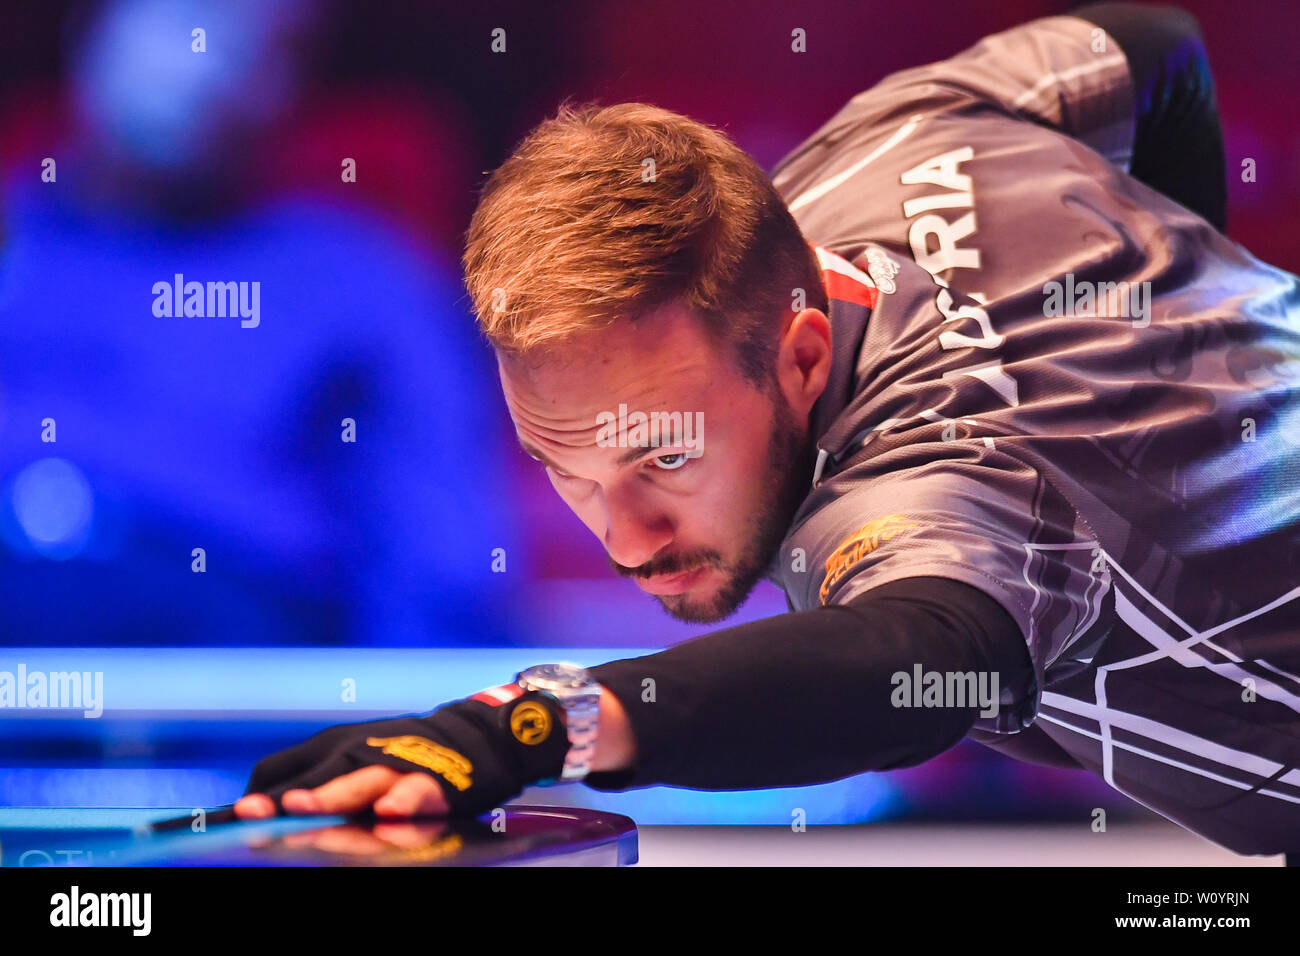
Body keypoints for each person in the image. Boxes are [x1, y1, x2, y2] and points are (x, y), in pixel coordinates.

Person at [236, 4, 1300, 857]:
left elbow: (902, 665)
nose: (626, 538)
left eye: (664, 456)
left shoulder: (938, 479)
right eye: (565, 469)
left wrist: (518, 727)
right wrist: (1180, 321)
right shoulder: (896, 137)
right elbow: (1153, 46)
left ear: (799, 358)